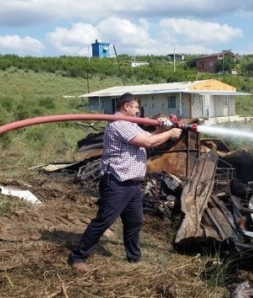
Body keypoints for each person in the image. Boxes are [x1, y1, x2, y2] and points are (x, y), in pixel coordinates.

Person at [68, 92, 182, 272]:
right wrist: (170, 133)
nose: (138, 111)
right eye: (136, 107)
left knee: (134, 221)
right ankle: (78, 257)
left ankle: (134, 258)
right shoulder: (119, 124)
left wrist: (162, 129)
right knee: (104, 221)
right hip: (117, 181)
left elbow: (149, 136)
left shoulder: (130, 124)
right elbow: (147, 141)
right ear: (126, 107)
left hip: (132, 183)